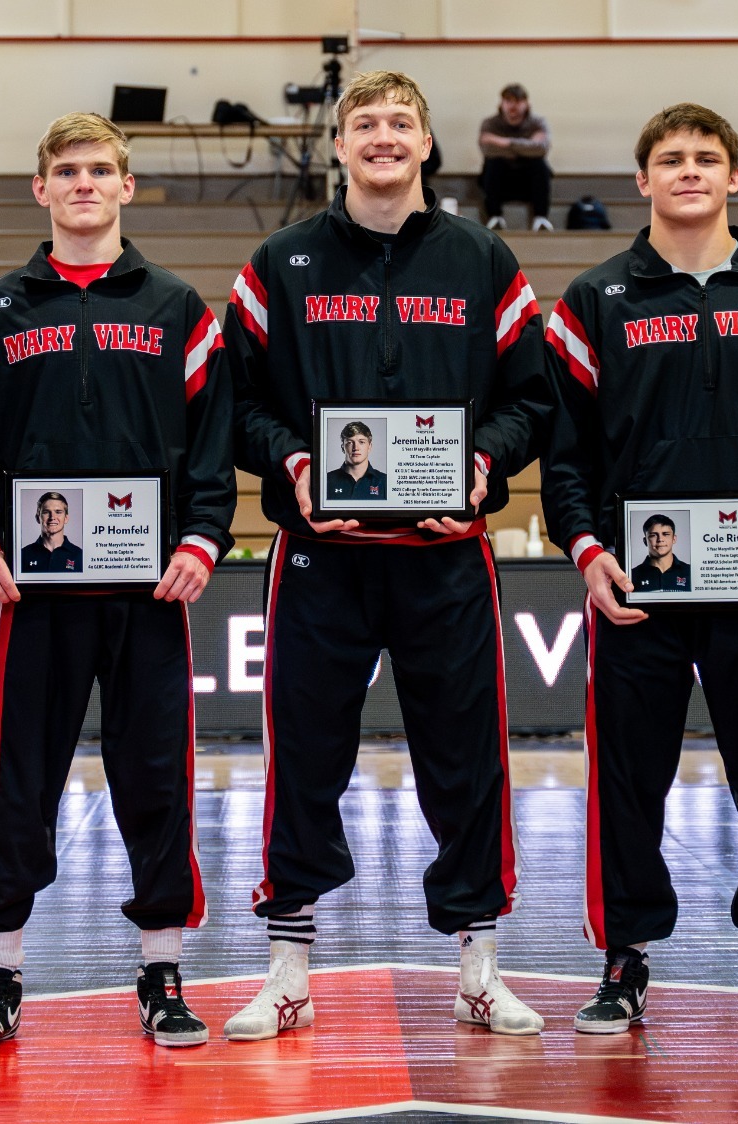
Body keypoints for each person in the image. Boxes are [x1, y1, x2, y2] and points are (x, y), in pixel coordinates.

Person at [223, 69, 553, 1039]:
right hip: (319, 557)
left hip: (444, 554)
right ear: (336, 145)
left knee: (466, 759)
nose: (380, 136)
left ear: (424, 142)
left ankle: (479, 966)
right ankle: (286, 967)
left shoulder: (482, 260)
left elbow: (531, 400)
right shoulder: (277, 264)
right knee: (303, 754)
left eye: (398, 121)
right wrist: (290, 459)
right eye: (362, 122)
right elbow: (235, 406)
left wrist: (483, 464)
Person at [0, 112, 234, 1052]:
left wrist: (202, 540)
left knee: (156, 778)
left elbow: (214, 448)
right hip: (29, 599)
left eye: (101, 169)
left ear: (127, 187)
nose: (84, 184)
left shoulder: (180, 309)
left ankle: (163, 970)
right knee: (17, 781)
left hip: (149, 596)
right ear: (41, 190)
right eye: (66, 171)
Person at [541, 103, 738, 1036]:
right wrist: (586, 551)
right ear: (643, 181)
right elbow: (566, 455)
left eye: (706, 158)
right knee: (628, 776)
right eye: (669, 159)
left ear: (733, 178)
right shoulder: (594, 300)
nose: (688, 172)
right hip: (637, 589)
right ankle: (625, 957)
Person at [478, 83, 553, 232]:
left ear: (526, 103)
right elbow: (488, 150)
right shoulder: (490, 124)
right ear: (502, 103)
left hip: (528, 183)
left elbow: (541, 149)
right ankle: (495, 217)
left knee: (539, 165)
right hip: (501, 182)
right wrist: (527, 146)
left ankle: (541, 218)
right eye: (508, 101)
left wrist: (504, 142)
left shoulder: (537, 123)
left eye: (518, 101)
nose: (513, 106)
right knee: (493, 163)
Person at [19, 491, 84, 573]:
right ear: (37, 517)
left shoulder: (80, 555)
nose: (52, 517)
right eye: (46, 512)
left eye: (58, 512)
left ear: (66, 518)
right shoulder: (23, 555)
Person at [323, 420, 387, 500]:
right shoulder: (326, 480)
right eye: (350, 442)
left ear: (370, 446)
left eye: (361, 442)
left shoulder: (384, 481)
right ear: (343, 447)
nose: (356, 448)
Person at [628, 514, 690, 594]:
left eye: (666, 534)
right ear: (645, 541)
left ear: (674, 539)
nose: (660, 539)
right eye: (653, 535)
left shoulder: (690, 572)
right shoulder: (631, 576)